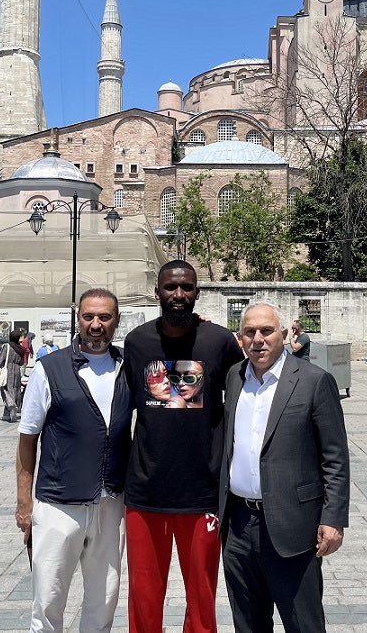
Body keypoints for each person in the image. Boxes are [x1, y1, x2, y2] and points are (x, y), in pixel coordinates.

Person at [122, 260, 245, 633]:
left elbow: (246, 396)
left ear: (197, 292)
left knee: (202, 596)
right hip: (146, 491)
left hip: (202, 492)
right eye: (170, 288)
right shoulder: (137, 342)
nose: (179, 295)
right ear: (157, 291)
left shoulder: (219, 341)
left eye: (187, 288)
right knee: (143, 595)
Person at [219, 302, 349, 633]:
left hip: (293, 526)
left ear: (285, 334)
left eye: (266, 331)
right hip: (238, 526)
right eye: (250, 332)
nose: (258, 339)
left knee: (303, 624)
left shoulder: (313, 381)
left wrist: (332, 518)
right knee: (248, 624)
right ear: (240, 339)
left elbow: (334, 456)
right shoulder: (234, 378)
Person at [16, 289, 131, 633]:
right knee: (48, 601)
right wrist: (24, 503)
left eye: (105, 317)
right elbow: (27, 438)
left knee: (103, 601)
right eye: (89, 317)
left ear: (117, 321)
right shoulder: (48, 369)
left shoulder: (129, 367)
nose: (96, 325)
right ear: (77, 318)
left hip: (111, 505)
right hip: (58, 504)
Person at [0, 328, 29, 422]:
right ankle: (6, 414)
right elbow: (21, 362)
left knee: (5, 389)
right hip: (17, 370)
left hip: (8, 370)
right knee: (15, 390)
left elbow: (1, 359)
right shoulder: (21, 349)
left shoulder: (7, 346)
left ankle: (11, 405)